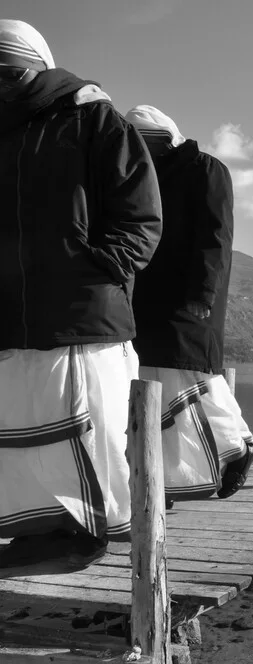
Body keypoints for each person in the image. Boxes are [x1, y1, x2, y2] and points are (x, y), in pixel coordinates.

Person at [0, 20, 162, 573]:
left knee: (87, 420)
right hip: (12, 315)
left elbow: (139, 212)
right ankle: (42, 529)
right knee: (24, 422)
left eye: (9, 71)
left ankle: (91, 529)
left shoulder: (91, 117)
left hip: (81, 311)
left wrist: (96, 272)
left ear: (37, 65)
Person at [125, 105, 253, 505]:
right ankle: (163, 479)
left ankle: (235, 451)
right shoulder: (141, 172)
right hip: (146, 296)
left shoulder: (207, 169)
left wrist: (203, 294)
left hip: (190, 298)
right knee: (152, 383)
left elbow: (216, 236)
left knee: (193, 379)